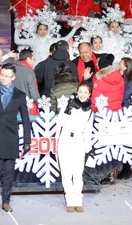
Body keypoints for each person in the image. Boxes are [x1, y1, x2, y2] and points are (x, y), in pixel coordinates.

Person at [0, 64, 31, 214]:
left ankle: (6, 201)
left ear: (13, 77)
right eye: (2, 75)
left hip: (11, 138)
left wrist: (27, 142)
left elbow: (25, 119)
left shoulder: (20, 95)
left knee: (9, 173)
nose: (3, 78)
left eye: (7, 76)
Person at [57, 82, 93, 212]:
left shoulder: (89, 111)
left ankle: (78, 200)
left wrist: (88, 148)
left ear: (89, 94)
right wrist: (67, 110)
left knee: (78, 173)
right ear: (77, 92)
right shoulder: (68, 105)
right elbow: (60, 122)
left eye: (85, 92)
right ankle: (70, 200)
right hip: (65, 140)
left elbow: (88, 130)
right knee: (66, 172)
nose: (82, 94)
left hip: (79, 141)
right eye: (80, 92)